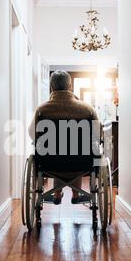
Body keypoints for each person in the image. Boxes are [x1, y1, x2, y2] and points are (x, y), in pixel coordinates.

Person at [29, 71, 98, 205]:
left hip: (50, 163)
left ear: (51, 87)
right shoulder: (87, 109)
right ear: (70, 86)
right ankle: (76, 193)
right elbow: (96, 135)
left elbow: (32, 133)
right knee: (76, 151)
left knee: (56, 151)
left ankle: (57, 193)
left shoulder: (42, 110)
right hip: (81, 163)